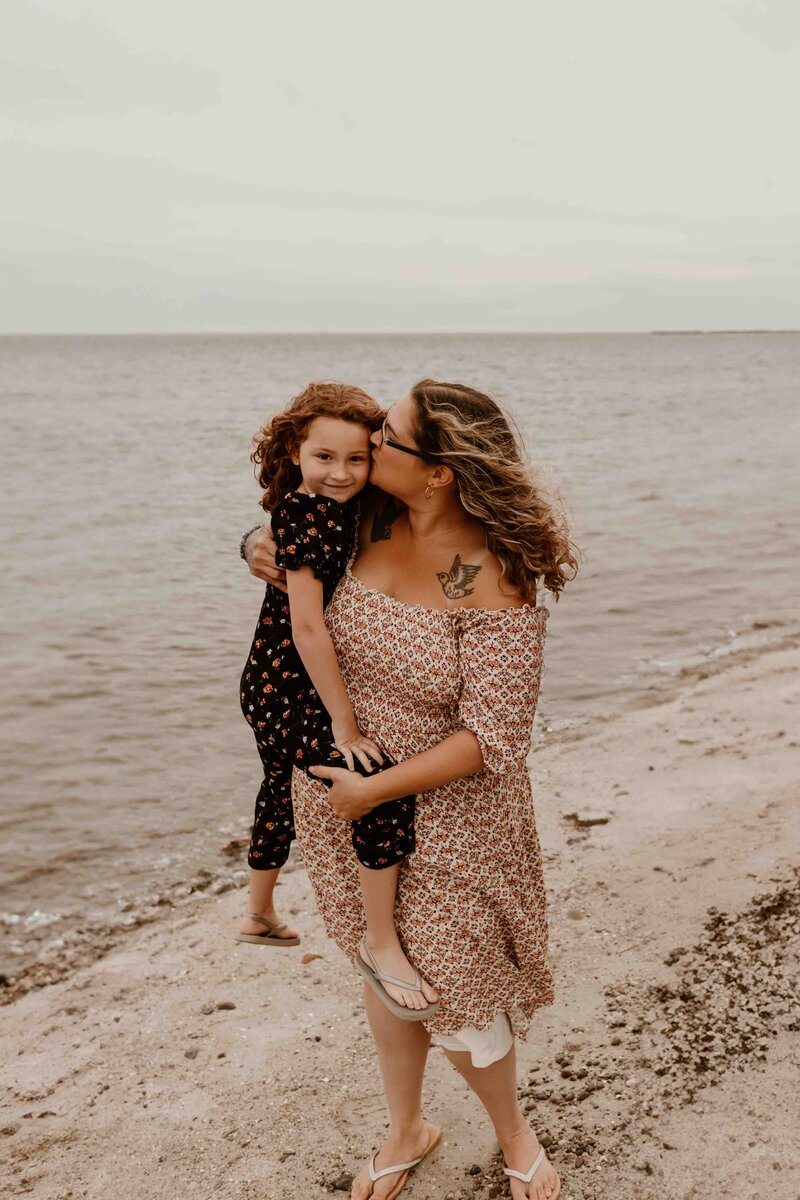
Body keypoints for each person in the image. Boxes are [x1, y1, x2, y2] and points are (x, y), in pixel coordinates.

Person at [243, 379, 578, 1200]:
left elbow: (493, 734)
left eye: (385, 437)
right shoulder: (360, 520)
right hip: (347, 798)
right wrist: (250, 543)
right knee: (381, 967)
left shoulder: (494, 572)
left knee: (455, 982)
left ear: (437, 473)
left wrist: (378, 787)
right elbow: (285, 536)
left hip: (451, 808)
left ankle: (513, 1133)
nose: (366, 444)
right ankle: (408, 1128)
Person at [238, 381, 438, 1016]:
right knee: (374, 780)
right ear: (296, 450)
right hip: (283, 684)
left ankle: (259, 912)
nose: (342, 473)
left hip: (272, 679)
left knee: (279, 785)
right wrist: (345, 724)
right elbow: (306, 626)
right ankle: (381, 942)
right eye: (325, 458)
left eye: (357, 459)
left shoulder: (340, 504)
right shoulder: (308, 514)